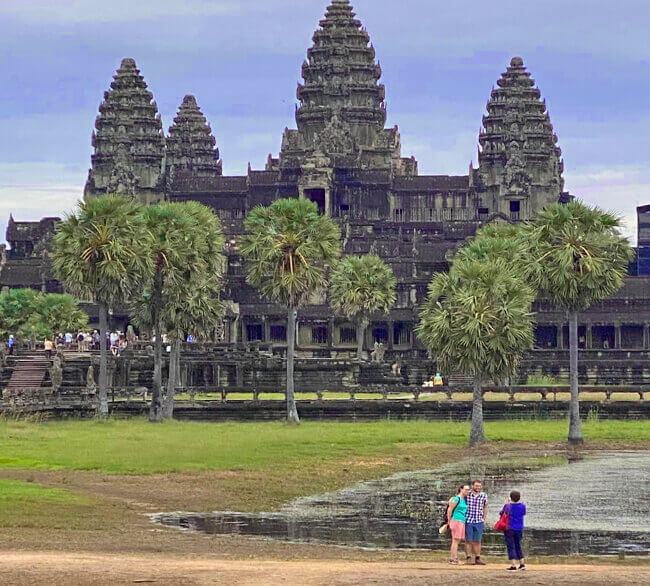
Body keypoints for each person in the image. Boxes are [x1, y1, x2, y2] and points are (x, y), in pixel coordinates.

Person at [500, 490, 527, 572]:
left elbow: (501, 513)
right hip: (519, 528)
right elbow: (523, 513)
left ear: (510, 497)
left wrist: (506, 504)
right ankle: (522, 564)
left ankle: (513, 565)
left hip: (509, 528)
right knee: (518, 545)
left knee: (511, 546)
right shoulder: (523, 506)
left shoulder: (508, 506)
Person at [465, 479, 488, 565]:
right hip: (468, 520)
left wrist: (484, 518)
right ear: (472, 486)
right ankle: (468, 558)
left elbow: (485, 507)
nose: (478, 487)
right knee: (468, 540)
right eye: (476, 486)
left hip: (479, 520)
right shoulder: (467, 495)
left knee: (478, 540)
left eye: (479, 486)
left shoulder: (484, 495)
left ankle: (478, 558)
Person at [446, 484, 470, 565]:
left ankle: (454, 558)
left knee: (458, 540)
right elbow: (450, 509)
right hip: (456, 520)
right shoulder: (456, 499)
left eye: (468, 490)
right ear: (461, 489)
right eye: (466, 489)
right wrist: (449, 521)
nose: (467, 491)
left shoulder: (464, 499)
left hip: (462, 520)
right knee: (455, 540)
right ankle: (454, 559)